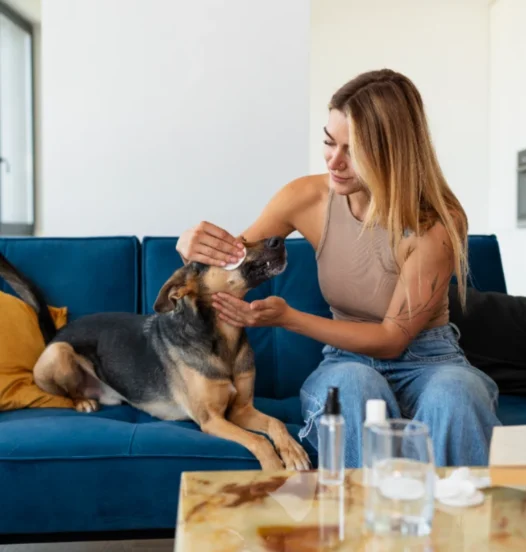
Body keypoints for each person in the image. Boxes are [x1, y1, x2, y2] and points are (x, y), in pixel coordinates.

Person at [176, 69, 501, 468]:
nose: (335, 161)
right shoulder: (306, 196)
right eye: (330, 143)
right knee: (354, 385)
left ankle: (460, 527)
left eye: (354, 151)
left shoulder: (436, 223)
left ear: (393, 153)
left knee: (457, 393)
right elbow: (232, 261)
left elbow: (391, 339)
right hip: (347, 362)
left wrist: (290, 319)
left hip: (431, 362)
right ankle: (360, 526)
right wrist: (190, 247)